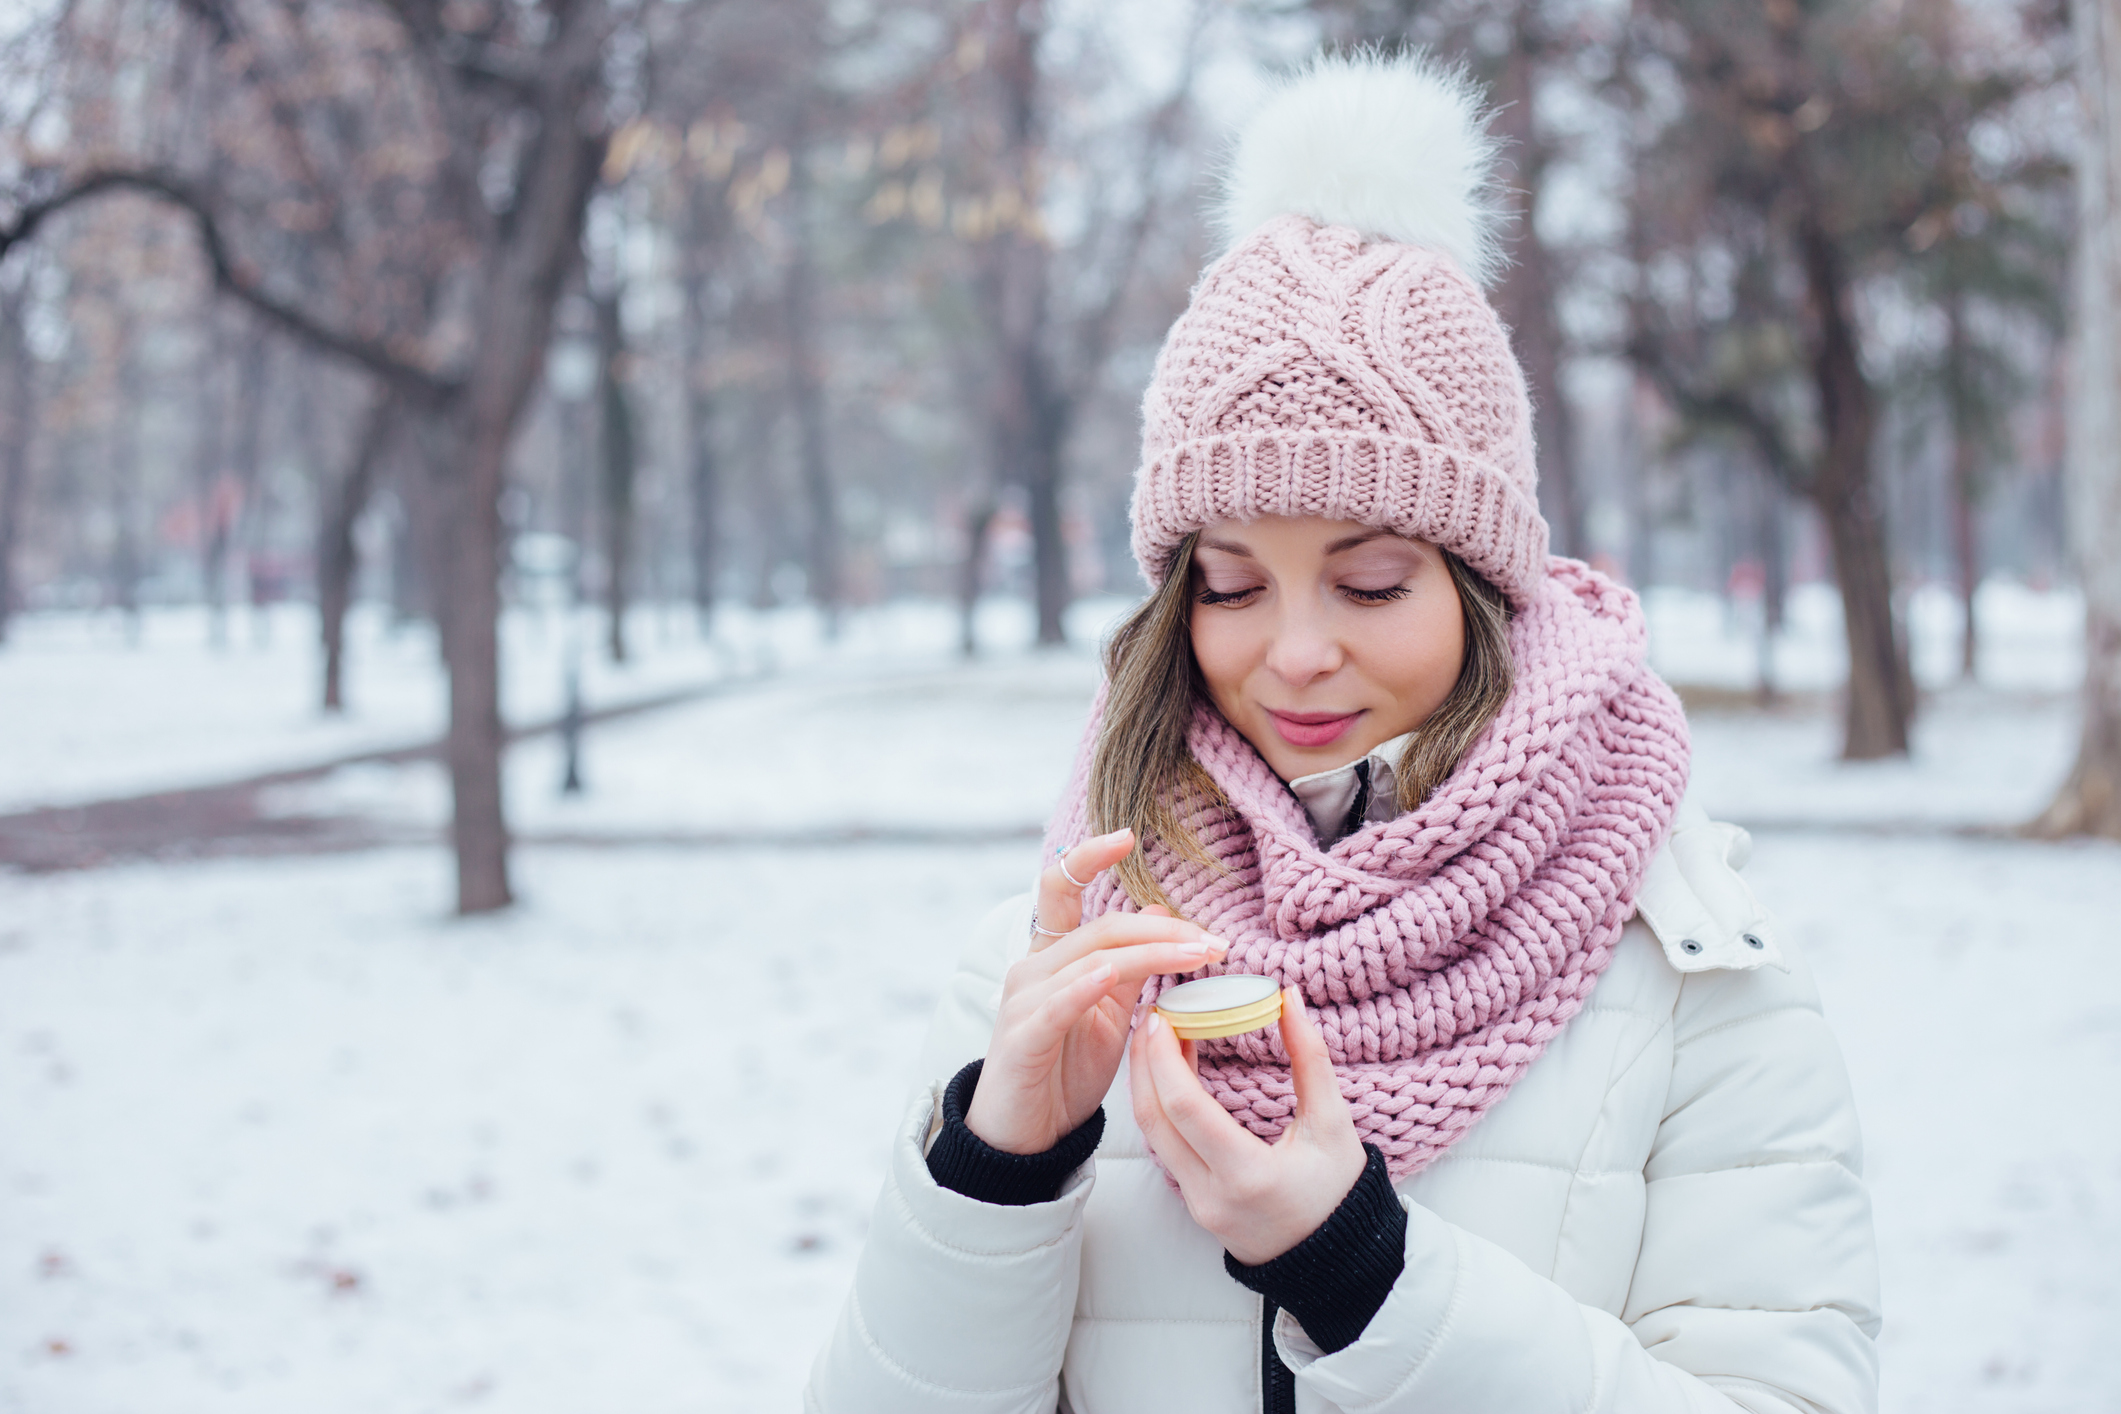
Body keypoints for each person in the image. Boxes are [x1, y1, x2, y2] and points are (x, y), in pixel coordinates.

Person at [807, 52, 1879, 1414]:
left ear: (1483, 585)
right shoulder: (1063, 954)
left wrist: (1367, 1275)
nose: (1294, 650)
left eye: (1370, 581)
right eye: (1231, 583)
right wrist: (997, 1167)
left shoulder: (1686, 974)